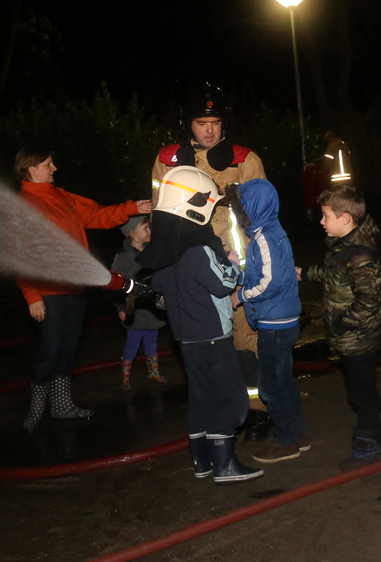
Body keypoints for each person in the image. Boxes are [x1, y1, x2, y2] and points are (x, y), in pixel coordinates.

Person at [150, 84, 272, 441]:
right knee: (205, 347)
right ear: (187, 123)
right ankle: (217, 414)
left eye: (215, 122)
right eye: (201, 122)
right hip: (190, 270)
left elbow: (263, 218)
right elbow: (160, 215)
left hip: (239, 270)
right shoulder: (167, 160)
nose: (209, 130)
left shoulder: (245, 160)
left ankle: (256, 409)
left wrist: (263, 268)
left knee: (245, 341)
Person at [137, 165, 263, 484]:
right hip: (213, 336)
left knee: (202, 396)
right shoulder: (198, 249)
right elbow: (223, 284)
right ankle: (225, 466)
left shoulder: (164, 252)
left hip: (186, 339)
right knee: (229, 397)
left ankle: (202, 462)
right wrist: (231, 263)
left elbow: (161, 288)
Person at [14, 148, 151, 433]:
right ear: (31, 169)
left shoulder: (62, 197)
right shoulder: (24, 204)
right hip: (49, 291)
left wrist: (132, 209)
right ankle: (36, 411)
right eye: (48, 164)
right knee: (51, 348)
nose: (54, 168)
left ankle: (62, 406)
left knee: (69, 347)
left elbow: (97, 216)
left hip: (75, 288)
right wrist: (32, 294)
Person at [298, 184, 381, 469]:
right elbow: (334, 274)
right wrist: (305, 273)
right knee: (363, 387)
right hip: (353, 338)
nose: (321, 222)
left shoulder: (360, 255)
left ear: (346, 219)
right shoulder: (344, 248)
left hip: (358, 339)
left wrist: (341, 325)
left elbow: (368, 302)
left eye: (326, 216)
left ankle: (369, 443)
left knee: (359, 393)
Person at [226, 179, 309, 464]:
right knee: (283, 381)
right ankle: (298, 434)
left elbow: (270, 282)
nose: (239, 213)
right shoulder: (272, 230)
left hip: (275, 323)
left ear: (254, 207)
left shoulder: (263, 238)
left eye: (242, 207)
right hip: (283, 318)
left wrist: (241, 295)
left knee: (270, 385)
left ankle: (286, 441)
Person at [110, 215, 167, 391]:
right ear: (133, 233)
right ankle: (125, 377)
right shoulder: (122, 257)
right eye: (145, 228)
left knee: (152, 342)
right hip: (133, 309)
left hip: (152, 308)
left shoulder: (151, 252)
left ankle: (153, 372)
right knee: (132, 343)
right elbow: (115, 285)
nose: (149, 231)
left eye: (149, 228)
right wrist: (120, 308)